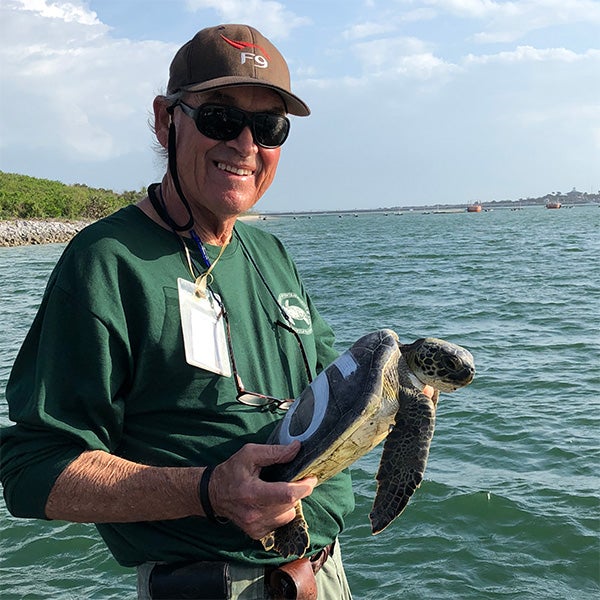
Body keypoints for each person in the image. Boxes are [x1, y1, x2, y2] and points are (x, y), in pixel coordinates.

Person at [0, 24, 355, 600]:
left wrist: (403, 383)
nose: (245, 144)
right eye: (219, 117)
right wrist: (209, 489)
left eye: (268, 127)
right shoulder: (107, 261)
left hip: (324, 576)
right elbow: (32, 469)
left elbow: (334, 388)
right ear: (167, 120)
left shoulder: (268, 251)